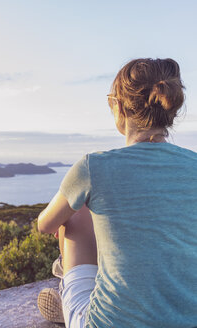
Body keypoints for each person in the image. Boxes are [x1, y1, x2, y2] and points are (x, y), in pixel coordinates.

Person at [36, 58, 197, 327]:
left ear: (118, 107)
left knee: (75, 216)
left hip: (108, 322)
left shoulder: (93, 167)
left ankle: (70, 301)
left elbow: (45, 224)